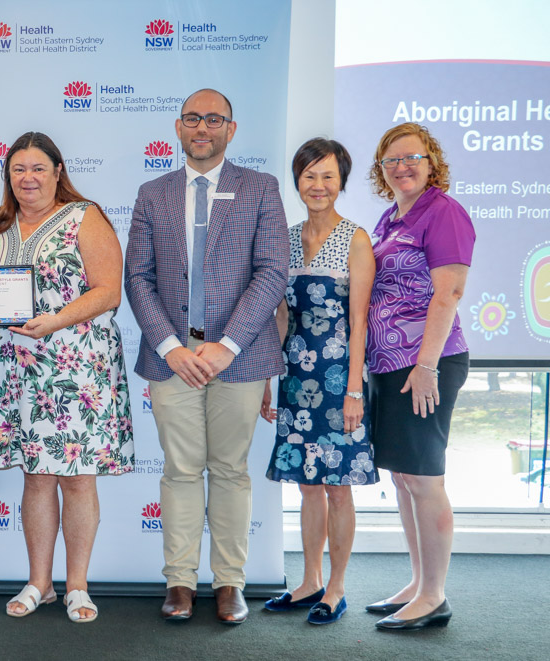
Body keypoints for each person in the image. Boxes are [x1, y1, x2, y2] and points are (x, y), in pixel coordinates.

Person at [125, 88, 288, 624]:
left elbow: (271, 273)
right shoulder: (153, 193)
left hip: (238, 357)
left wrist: (228, 344)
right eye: (193, 118)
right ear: (178, 126)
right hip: (172, 357)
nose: (202, 128)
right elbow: (138, 278)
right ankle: (179, 582)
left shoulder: (260, 189)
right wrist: (172, 347)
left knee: (230, 470)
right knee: (179, 471)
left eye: (213, 119)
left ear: (231, 129)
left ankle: (229, 583)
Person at [0, 132, 133, 624]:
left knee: (78, 479)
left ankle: (78, 586)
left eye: (38, 168)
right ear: (8, 176)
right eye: (18, 169)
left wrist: (55, 320)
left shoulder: (84, 216)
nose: (28, 177)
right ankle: (39, 583)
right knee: (36, 478)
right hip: (16, 371)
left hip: (74, 369)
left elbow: (110, 292)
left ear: (58, 171)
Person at [260, 138, 377, 625]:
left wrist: (354, 391)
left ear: (342, 181)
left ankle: (336, 587)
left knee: (338, 488)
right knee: (307, 486)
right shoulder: (284, 237)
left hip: (337, 382)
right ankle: (308, 582)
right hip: (296, 377)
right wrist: (270, 378)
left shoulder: (356, 238)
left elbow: (360, 322)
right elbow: (281, 317)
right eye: (309, 175)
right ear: (297, 181)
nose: (318, 185)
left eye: (328, 176)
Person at [363, 123, 474, 631]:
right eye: (391, 161)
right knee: (404, 477)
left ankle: (434, 595)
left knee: (425, 477)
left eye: (412, 158)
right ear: (381, 171)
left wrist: (426, 365)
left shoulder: (443, 212)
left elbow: (447, 294)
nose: (402, 167)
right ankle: (417, 581)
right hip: (391, 366)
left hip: (425, 365)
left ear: (432, 162)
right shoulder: (391, 217)